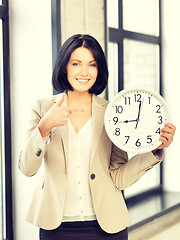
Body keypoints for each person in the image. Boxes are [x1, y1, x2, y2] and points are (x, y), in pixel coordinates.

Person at [19, 34, 176, 240]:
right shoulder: (42, 108)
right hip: (57, 227)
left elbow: (119, 178)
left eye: (92, 65)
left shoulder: (112, 112)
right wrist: (44, 127)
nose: (84, 72)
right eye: (76, 63)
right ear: (65, 67)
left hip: (107, 226)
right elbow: (27, 168)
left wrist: (153, 150)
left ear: (98, 69)